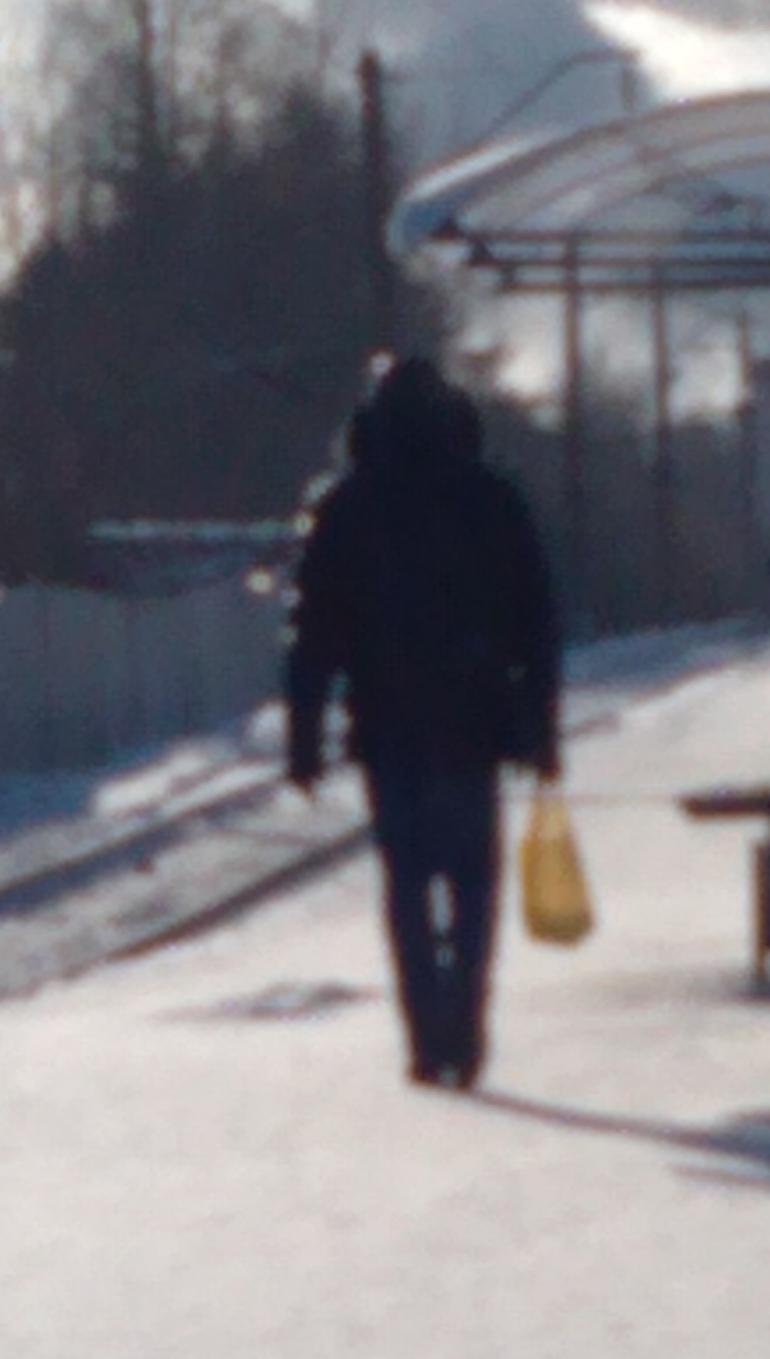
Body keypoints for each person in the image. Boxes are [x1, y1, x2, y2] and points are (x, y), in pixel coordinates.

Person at [284, 353, 563, 1089]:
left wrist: (305, 736)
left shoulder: (347, 507)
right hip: (474, 726)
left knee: (406, 884)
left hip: (388, 727)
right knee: (472, 883)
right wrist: (541, 727)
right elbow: (534, 620)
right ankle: (464, 1031)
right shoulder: (491, 499)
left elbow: (314, 631)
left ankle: (424, 1034)